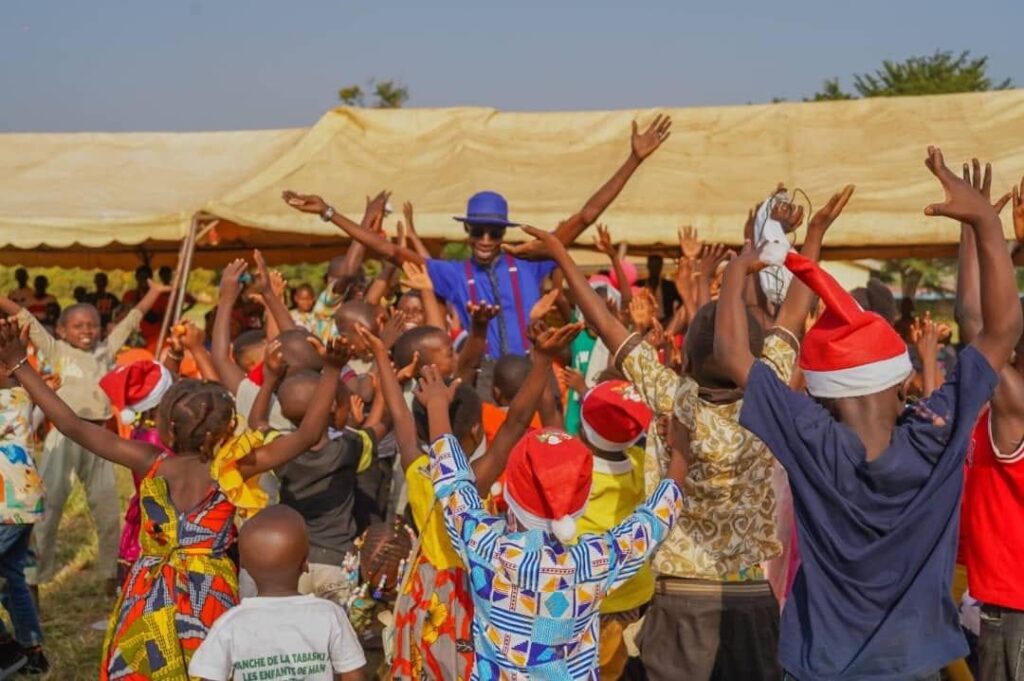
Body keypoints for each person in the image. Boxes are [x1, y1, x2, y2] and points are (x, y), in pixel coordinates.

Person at [714, 147, 1021, 680]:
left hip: (820, 667)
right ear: (901, 381)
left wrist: (738, 269)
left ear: (824, 393)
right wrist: (986, 225)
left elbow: (730, 355)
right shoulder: (935, 433)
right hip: (914, 666)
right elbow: (1000, 331)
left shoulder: (810, 435)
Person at [512, 193, 835, 680]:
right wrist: (813, 237)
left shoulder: (673, 396)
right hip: (751, 598)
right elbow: (793, 312)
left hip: (679, 597)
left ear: (687, 360)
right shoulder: (767, 395)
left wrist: (561, 252)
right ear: (750, 356)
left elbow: (606, 324)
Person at [0, 316, 348, 679]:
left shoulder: (149, 461)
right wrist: (331, 371)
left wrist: (20, 363)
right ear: (228, 429)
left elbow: (71, 424)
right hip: (209, 595)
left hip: (148, 591)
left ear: (166, 428)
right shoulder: (232, 468)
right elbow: (307, 435)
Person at [282, 115, 672, 359]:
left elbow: (585, 216)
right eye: (478, 230)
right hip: (480, 378)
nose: (486, 238)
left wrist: (633, 160)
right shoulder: (452, 273)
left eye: (494, 231)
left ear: (503, 233)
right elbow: (388, 250)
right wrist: (330, 212)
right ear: (467, 232)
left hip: (533, 371)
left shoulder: (529, 260)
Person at [417, 362, 684, 679]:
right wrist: (681, 452)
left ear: (511, 493)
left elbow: (453, 483)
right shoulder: (594, 561)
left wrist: (437, 406)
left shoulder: (485, 544)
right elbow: (656, 517)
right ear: (582, 503)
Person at [0, 281, 171, 595]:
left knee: (107, 510)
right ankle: (35, 577)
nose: (87, 331)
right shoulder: (56, 349)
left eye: (92, 325)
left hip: (99, 438)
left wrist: (154, 292)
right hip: (62, 437)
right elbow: (27, 317)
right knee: (49, 509)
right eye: (78, 326)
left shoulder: (105, 351)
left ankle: (110, 575)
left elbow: (132, 319)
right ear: (62, 331)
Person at [957, 164, 1024, 681]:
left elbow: (975, 321)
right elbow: (976, 319)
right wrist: (975, 229)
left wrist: (982, 229)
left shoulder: (1015, 408)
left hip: (1015, 613)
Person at [188, 505, 367, 681]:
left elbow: (210, 676)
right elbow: (353, 674)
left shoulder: (230, 623)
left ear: (243, 564)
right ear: (305, 562)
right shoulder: (329, 615)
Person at [574, 380, 655, 680]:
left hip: (589, 597)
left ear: (583, 431)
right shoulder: (641, 462)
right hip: (634, 593)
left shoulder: (574, 473)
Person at [0, 366, 48, 677]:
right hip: (22, 502)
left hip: (9, 505)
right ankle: (32, 652)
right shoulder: (21, 394)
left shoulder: (10, 398)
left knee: (11, 575)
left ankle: (7, 650)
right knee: (11, 574)